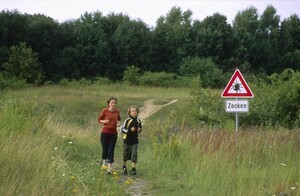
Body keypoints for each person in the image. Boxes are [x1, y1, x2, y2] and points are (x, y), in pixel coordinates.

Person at [98, 96, 121, 174]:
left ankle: (109, 168)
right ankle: (104, 162)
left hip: (113, 134)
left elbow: (118, 120)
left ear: (116, 104)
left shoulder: (117, 112)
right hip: (105, 133)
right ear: (109, 103)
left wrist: (118, 126)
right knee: (105, 149)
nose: (113, 104)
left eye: (114, 103)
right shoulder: (105, 110)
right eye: (112, 103)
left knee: (111, 150)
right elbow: (99, 120)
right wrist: (104, 121)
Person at [120, 105, 142, 175]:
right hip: (127, 140)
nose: (134, 112)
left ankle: (133, 169)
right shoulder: (128, 120)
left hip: (135, 140)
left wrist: (139, 130)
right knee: (126, 154)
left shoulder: (138, 120)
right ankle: (124, 166)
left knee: (134, 154)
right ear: (130, 113)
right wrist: (129, 130)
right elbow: (122, 129)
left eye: (135, 111)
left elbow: (140, 129)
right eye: (133, 111)